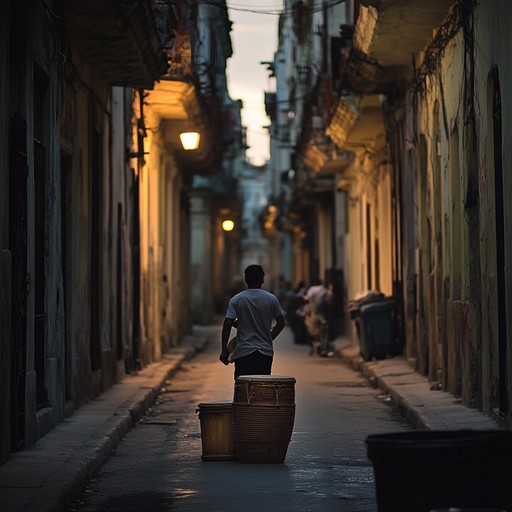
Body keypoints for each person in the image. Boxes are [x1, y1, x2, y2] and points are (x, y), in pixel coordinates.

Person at [219, 264, 286, 379]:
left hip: (243, 352)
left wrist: (224, 350)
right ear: (262, 280)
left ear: (246, 279)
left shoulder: (237, 299)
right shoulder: (271, 299)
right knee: (262, 388)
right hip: (264, 352)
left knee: (243, 389)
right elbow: (281, 323)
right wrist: (270, 336)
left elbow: (227, 323)